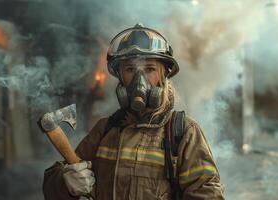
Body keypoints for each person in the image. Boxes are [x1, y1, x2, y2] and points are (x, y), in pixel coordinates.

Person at [43, 23, 225, 200]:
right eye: (130, 69)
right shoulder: (106, 129)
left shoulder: (183, 132)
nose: (140, 79)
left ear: (163, 76)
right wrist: (65, 183)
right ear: (120, 76)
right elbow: (53, 186)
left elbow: (206, 193)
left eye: (150, 69)